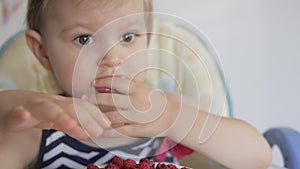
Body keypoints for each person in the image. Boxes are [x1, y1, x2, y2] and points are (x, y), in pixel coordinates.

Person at [0, 0, 272, 169]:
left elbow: (258, 158)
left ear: (148, 38)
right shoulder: (38, 129)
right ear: (43, 51)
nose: (112, 58)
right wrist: (10, 107)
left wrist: (171, 118)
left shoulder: (169, 110)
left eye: (128, 36)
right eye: (84, 39)